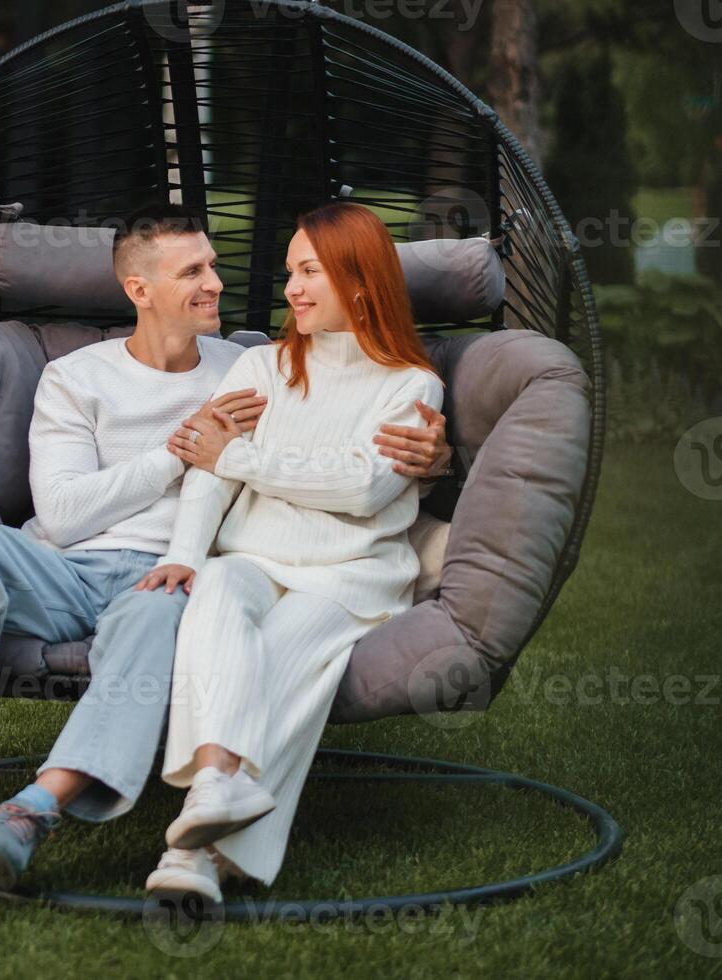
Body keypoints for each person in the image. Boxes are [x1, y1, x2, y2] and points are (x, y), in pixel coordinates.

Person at [0, 203, 452, 892]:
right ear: (140, 290)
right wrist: (182, 448)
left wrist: (431, 458)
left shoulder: (245, 359)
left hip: (169, 575)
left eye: (214, 265)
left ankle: (35, 808)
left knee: (159, 610)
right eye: (192, 271)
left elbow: (337, 415)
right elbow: (66, 514)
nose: (215, 284)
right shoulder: (76, 377)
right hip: (66, 564)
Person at [136, 201, 445, 902]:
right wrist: (188, 553)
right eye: (290, 274)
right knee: (212, 600)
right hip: (250, 557)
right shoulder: (261, 364)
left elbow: (363, 489)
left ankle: (198, 855)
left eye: (309, 272)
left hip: (350, 577)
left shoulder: (411, 386)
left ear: (360, 282)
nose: (292, 290)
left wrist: (242, 455)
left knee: (280, 656)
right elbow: (207, 471)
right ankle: (215, 781)